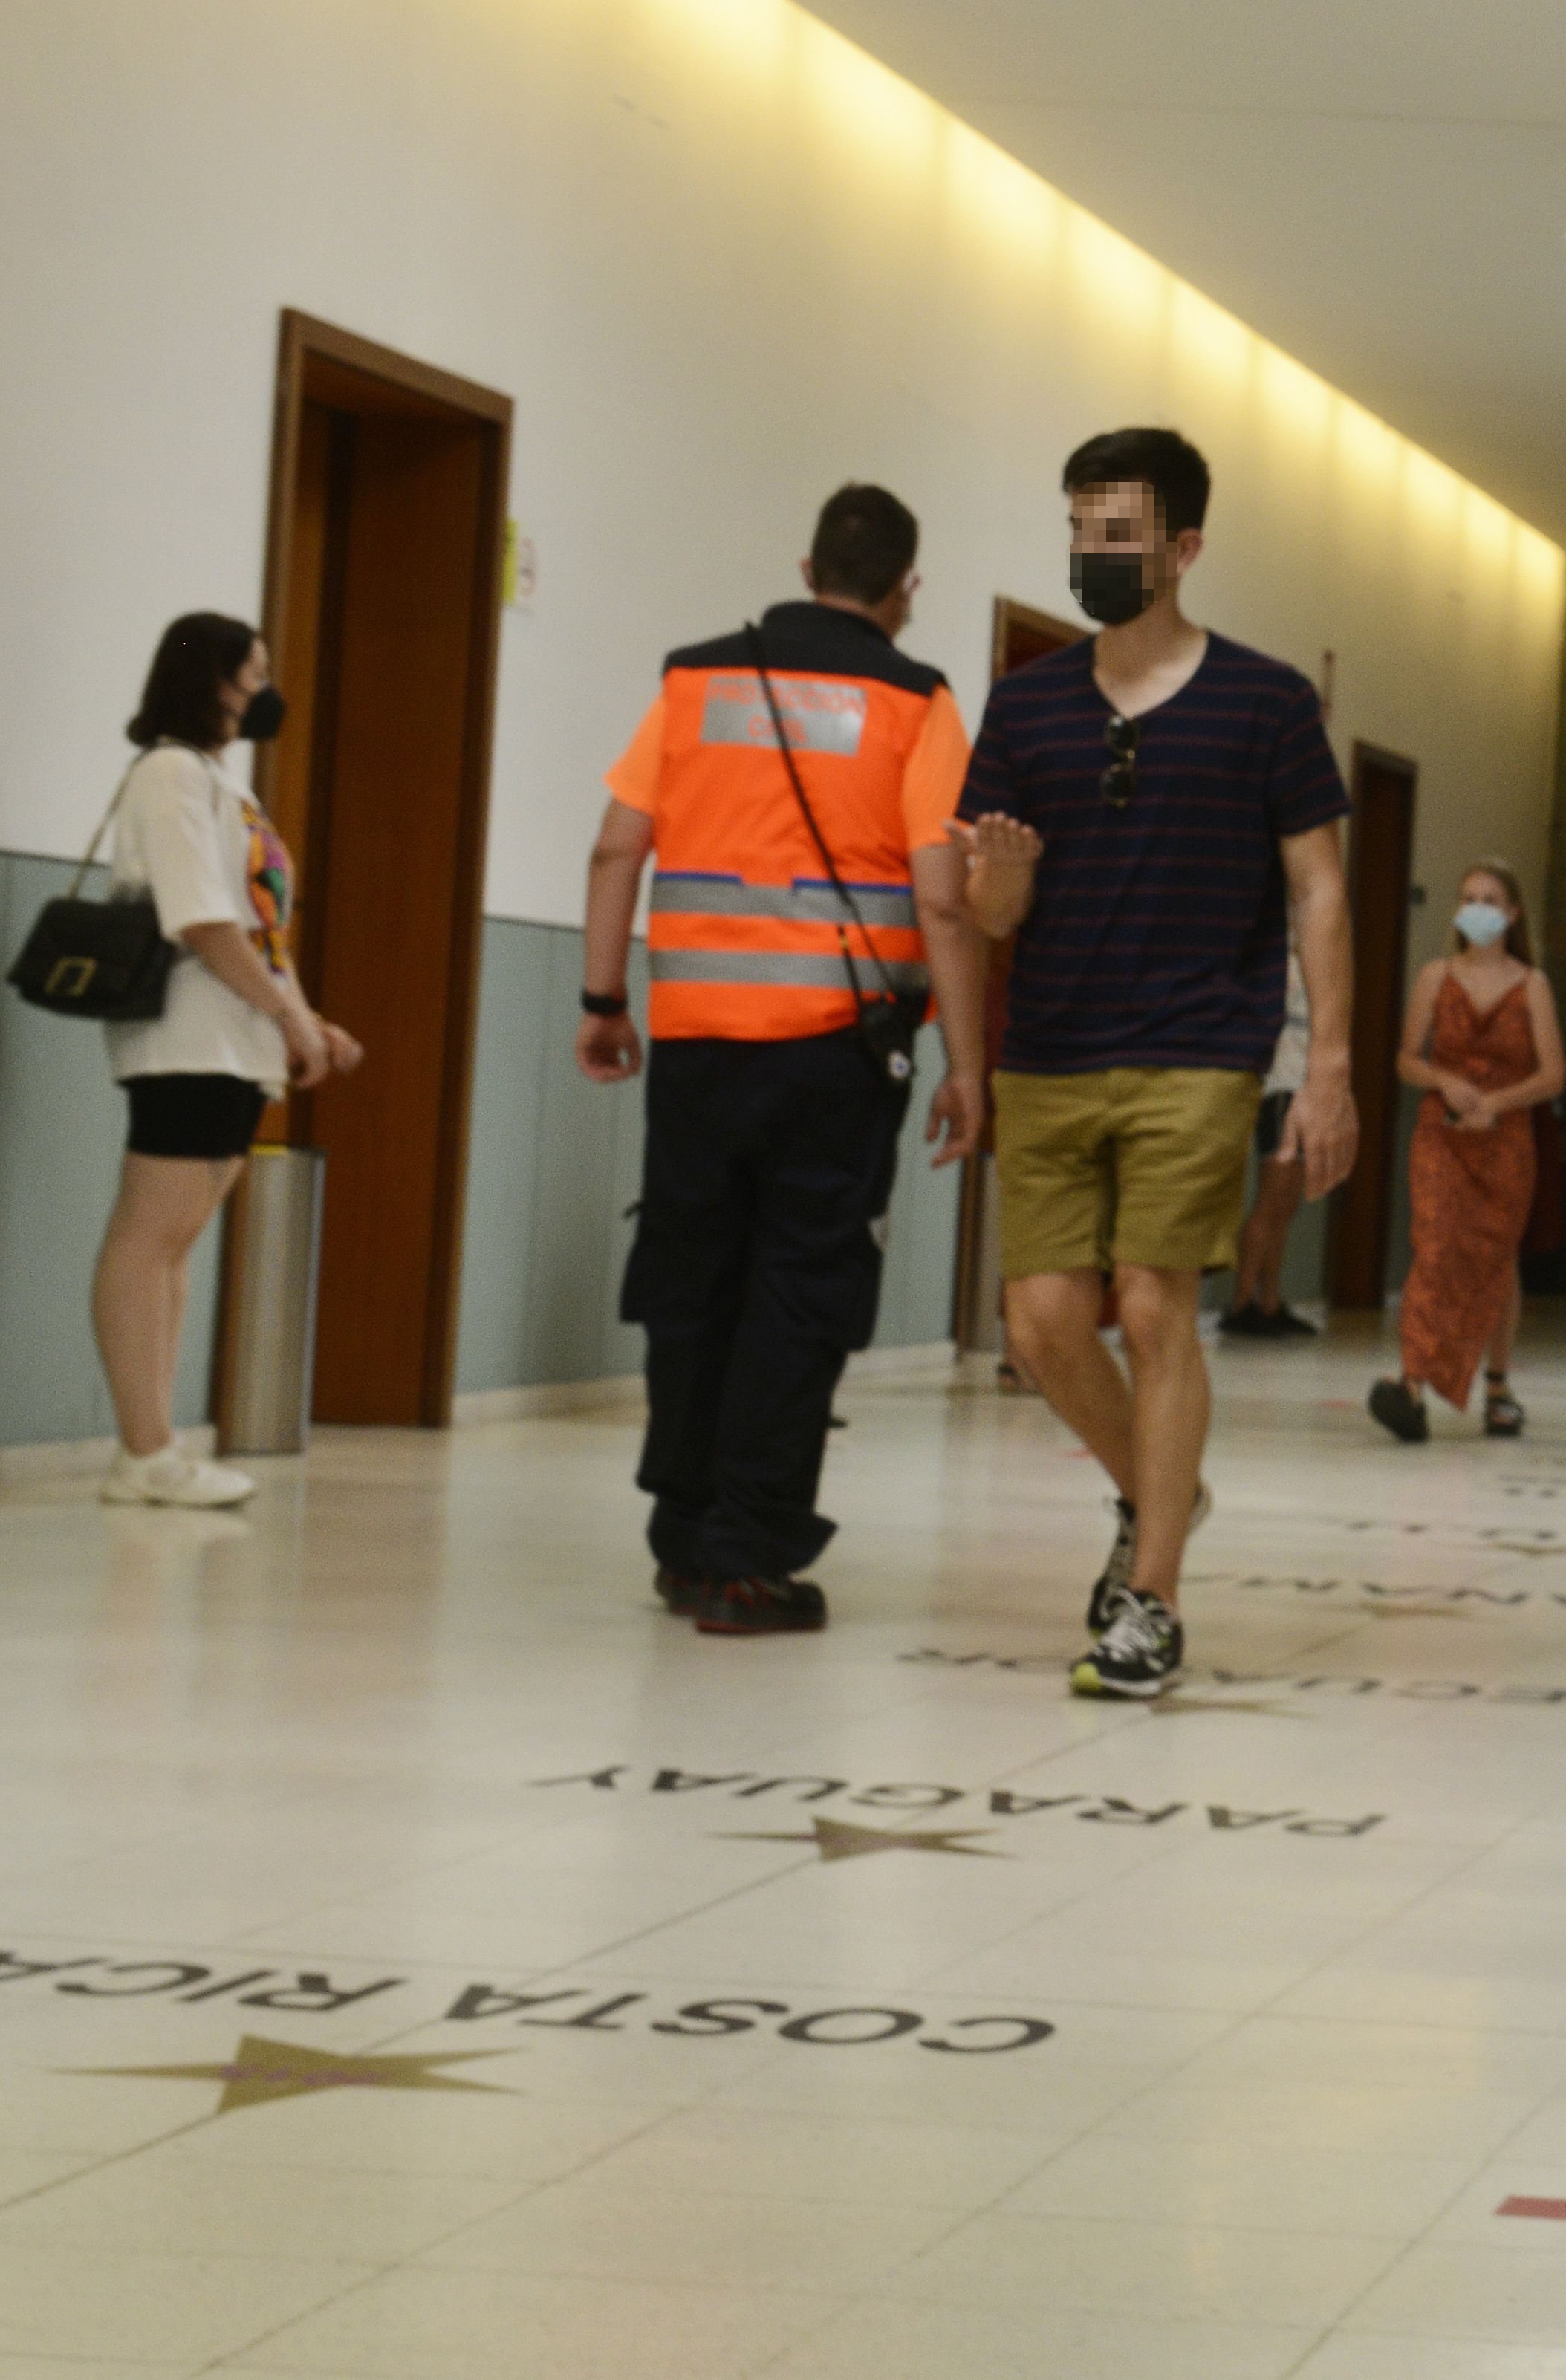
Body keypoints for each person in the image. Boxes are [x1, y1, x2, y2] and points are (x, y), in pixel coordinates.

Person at [957, 426, 1354, 1700]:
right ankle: (1159, 1490)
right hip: (1052, 1050)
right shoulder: (1023, 707)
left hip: (1197, 1049)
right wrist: (998, 881)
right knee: (1041, 1325)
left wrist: (1331, 1066)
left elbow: (1320, 888)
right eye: (1081, 529)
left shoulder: (1267, 701)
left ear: (1182, 547)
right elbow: (992, 915)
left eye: (1119, 534)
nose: (1094, 554)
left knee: (1150, 1303)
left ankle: (1154, 1598)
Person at [573, 487, 981, 1636]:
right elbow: (943, 901)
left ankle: (686, 1538)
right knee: (801, 1292)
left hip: (697, 1048)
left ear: (806, 566)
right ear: (905, 588)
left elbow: (618, 844)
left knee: (691, 1280)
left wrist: (605, 998)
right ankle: (749, 1550)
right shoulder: (916, 700)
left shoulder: (695, 680)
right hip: (835, 1058)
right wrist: (966, 1061)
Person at [83, 614, 357, 1509]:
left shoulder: (218, 784)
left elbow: (256, 924)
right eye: (255, 673)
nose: (265, 690)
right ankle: (144, 1451)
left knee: (176, 1243)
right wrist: (289, 1015)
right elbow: (202, 921)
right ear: (211, 680)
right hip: (187, 1040)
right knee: (149, 1235)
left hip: (233, 1043)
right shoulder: (169, 773)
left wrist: (303, 1018)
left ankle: (156, 1444)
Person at [1371, 860, 1563, 1443]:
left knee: (1496, 1257)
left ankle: (1498, 1385)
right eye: (1468, 896)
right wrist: (1443, 1081)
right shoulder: (1435, 976)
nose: (1477, 906)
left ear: (1511, 913)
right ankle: (1411, 1382)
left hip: (1505, 1139)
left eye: (1489, 898)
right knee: (1433, 1243)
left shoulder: (1532, 985)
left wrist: (1498, 1102)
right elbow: (1406, 1057)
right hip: (1443, 1131)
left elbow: (1553, 1073)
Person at [1218, 959, 1317, 1341]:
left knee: (1288, 1203)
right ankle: (1242, 1305)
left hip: (1308, 1088)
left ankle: (1270, 1303)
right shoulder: (1281, 960)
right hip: (1280, 1085)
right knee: (1271, 1199)